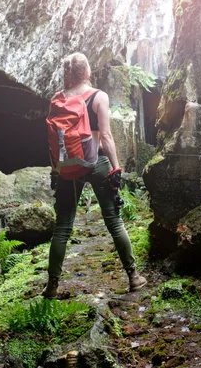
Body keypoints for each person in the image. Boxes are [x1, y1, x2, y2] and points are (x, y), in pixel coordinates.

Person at [42, 52, 147, 298]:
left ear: (68, 74)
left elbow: (52, 142)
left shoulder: (57, 100)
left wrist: (56, 169)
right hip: (97, 161)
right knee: (114, 221)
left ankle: (52, 286)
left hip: (69, 165)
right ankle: (133, 276)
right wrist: (116, 167)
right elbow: (107, 136)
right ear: (87, 72)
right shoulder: (99, 97)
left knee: (62, 227)